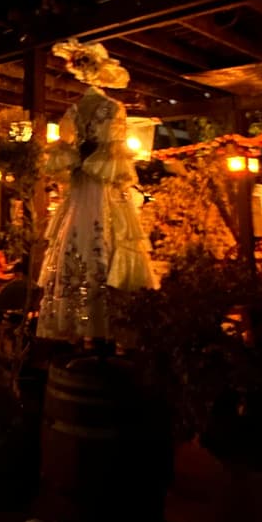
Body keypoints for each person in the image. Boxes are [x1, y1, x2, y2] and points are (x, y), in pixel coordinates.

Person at [37, 39, 156, 343]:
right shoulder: (113, 108)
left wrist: (83, 158)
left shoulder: (74, 111)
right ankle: (104, 328)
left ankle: (81, 325)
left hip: (79, 194)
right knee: (107, 241)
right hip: (102, 191)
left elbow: (65, 156)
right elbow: (114, 161)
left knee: (75, 246)